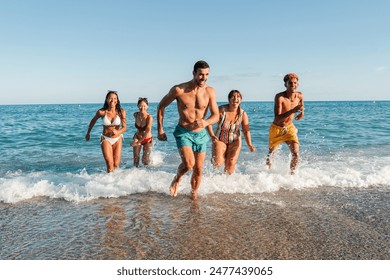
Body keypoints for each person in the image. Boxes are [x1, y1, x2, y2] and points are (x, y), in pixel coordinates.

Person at [157, 60, 219, 200]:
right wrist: (160, 129)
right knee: (189, 165)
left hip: (201, 134)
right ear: (194, 73)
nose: (204, 78)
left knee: (198, 168)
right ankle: (177, 178)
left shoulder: (210, 91)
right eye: (201, 74)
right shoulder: (179, 90)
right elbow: (161, 106)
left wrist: (206, 122)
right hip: (183, 132)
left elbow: (216, 115)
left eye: (207, 74)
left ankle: (193, 195)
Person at [207, 90, 256, 174]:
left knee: (230, 164)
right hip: (219, 139)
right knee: (217, 163)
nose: (235, 99)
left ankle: (228, 184)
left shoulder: (242, 114)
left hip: (235, 140)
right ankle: (215, 180)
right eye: (233, 96)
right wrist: (211, 135)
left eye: (238, 97)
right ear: (229, 99)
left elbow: (246, 130)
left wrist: (249, 144)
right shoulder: (221, 110)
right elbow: (208, 123)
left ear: (241, 100)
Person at [266, 73, 304, 174]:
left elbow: (301, 105)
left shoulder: (299, 95)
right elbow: (277, 118)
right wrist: (293, 111)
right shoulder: (280, 97)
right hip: (276, 128)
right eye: (290, 83)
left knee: (296, 154)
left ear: (298, 84)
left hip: (289, 128)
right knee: (271, 154)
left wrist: (301, 113)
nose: (293, 85)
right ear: (285, 85)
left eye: (295, 83)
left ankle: (292, 175)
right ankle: (267, 174)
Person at [85, 90, 127, 172]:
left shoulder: (121, 112)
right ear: (107, 99)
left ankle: (115, 182)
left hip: (117, 139)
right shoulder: (102, 112)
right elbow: (93, 121)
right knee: (109, 163)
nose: (112, 100)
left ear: (117, 100)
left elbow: (124, 127)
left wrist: (118, 132)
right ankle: (109, 182)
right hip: (106, 139)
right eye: (110, 98)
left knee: (116, 164)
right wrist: (88, 133)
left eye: (115, 98)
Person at [130, 97, 153, 167]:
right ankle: (134, 174)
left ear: (147, 106)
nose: (142, 107)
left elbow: (147, 132)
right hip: (137, 137)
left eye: (144, 106)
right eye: (140, 105)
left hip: (147, 139)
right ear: (137, 106)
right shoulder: (135, 115)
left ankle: (146, 175)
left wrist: (138, 142)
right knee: (136, 160)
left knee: (145, 161)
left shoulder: (149, 117)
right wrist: (136, 141)